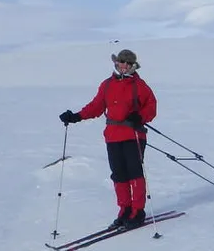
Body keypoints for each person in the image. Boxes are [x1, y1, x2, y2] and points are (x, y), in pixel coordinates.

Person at [59, 49, 158, 230]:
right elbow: (96, 106)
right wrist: (76, 116)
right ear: (116, 63)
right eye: (122, 62)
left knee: (134, 173)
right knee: (118, 174)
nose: (125, 66)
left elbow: (151, 107)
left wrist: (141, 116)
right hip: (112, 136)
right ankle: (125, 209)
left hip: (133, 135)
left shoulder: (140, 86)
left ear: (133, 66)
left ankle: (138, 211)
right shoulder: (106, 85)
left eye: (129, 63)